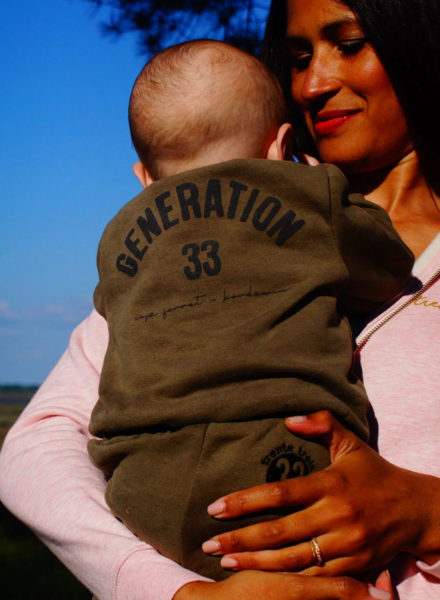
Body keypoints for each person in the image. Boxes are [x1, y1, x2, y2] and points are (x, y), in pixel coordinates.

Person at [0, 0, 440, 598]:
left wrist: (422, 510)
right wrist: (173, 592)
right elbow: (38, 446)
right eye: (298, 57)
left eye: (351, 44)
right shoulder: (200, 234)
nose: (312, 83)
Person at [88, 39, 413, 581]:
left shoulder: (118, 235)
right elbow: (388, 266)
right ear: (280, 145)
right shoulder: (308, 194)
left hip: (141, 480)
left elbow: (111, 313)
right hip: (280, 456)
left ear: (144, 175)